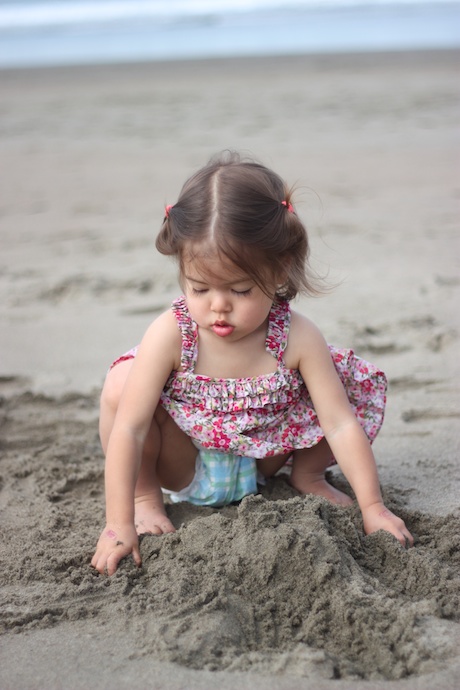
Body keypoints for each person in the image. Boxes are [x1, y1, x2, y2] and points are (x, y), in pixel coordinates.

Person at [91, 152, 413, 576]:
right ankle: (145, 498)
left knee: (340, 382)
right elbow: (131, 429)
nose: (218, 307)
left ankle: (308, 475)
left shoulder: (295, 335)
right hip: (184, 461)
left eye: (241, 290)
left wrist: (373, 507)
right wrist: (119, 523)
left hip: (265, 460)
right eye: (200, 287)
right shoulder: (173, 332)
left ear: (279, 269)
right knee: (121, 386)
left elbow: (339, 424)